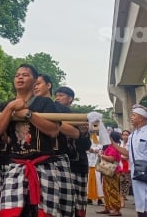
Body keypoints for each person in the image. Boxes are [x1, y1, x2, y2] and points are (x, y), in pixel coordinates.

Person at [0, 64, 61, 217]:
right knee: (10, 212)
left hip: (43, 165)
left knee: (43, 212)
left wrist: (28, 114)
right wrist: (10, 108)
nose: (20, 77)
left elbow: (53, 130)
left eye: (25, 75)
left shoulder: (45, 103)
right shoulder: (6, 105)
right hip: (15, 165)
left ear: (35, 81)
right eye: (17, 75)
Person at [55, 86, 91, 217]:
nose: (57, 98)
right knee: (60, 202)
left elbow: (86, 145)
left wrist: (84, 132)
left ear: (70, 99)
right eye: (56, 95)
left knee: (78, 203)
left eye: (61, 95)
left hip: (77, 165)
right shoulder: (49, 115)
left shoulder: (78, 118)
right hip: (59, 165)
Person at [96, 131, 124, 216]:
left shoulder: (114, 147)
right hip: (108, 171)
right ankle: (108, 207)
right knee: (106, 189)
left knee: (113, 190)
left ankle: (116, 209)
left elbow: (112, 158)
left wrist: (101, 156)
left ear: (111, 138)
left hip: (113, 172)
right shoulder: (111, 146)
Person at [119, 130, 132, 208]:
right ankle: (122, 201)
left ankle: (123, 197)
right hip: (120, 166)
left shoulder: (131, 144)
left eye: (127, 135)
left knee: (126, 184)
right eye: (123, 134)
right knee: (121, 184)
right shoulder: (119, 144)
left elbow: (130, 155)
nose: (125, 136)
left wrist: (124, 157)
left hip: (128, 167)